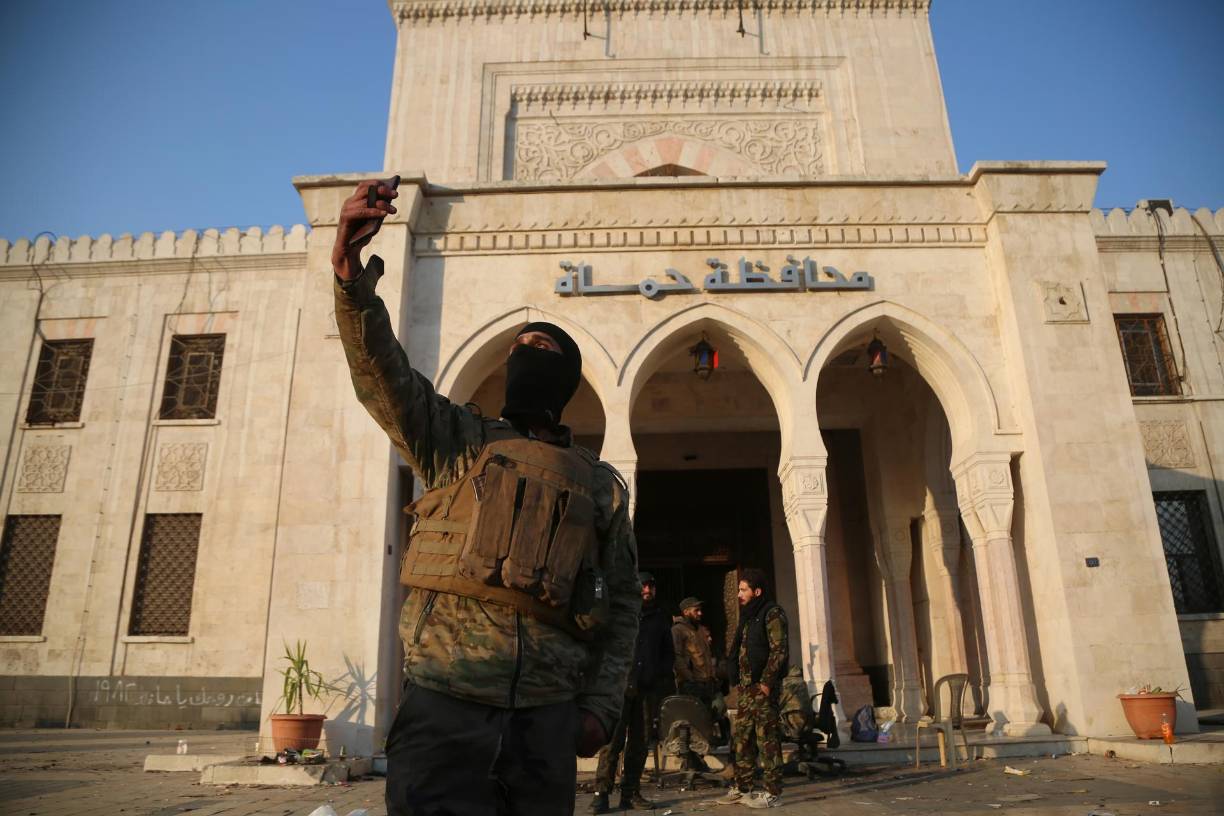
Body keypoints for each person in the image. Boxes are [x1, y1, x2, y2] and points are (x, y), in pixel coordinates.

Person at [331, 178, 641, 816]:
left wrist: (600, 710)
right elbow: (381, 375)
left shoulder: (598, 484)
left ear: (566, 377)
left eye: (545, 349)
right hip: (446, 704)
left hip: (545, 720)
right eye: (519, 349)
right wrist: (349, 277)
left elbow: (624, 607)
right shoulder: (459, 443)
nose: (529, 352)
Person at [592, 572, 674, 813]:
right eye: (643, 586)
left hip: (646, 692)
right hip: (619, 689)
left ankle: (630, 793)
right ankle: (601, 793)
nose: (647, 590)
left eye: (651, 586)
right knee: (612, 743)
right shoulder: (621, 613)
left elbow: (668, 654)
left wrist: (657, 675)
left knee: (639, 744)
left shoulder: (660, 619)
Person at [716, 568, 788, 810]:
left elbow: (779, 651)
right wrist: (736, 679)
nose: (738, 594)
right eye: (738, 589)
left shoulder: (772, 613)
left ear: (757, 591)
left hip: (762, 688)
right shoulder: (749, 616)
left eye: (743, 589)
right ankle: (742, 787)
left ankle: (772, 793)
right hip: (747, 689)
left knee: (767, 740)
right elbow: (739, 650)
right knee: (742, 739)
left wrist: (767, 683)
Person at [671, 596, 723, 770]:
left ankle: (697, 760)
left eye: (700, 610)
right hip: (690, 685)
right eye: (696, 610)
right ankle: (690, 762)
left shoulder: (699, 630)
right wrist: (688, 677)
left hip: (706, 684)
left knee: (707, 722)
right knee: (689, 725)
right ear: (686, 612)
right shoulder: (678, 630)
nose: (700, 613)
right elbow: (677, 657)